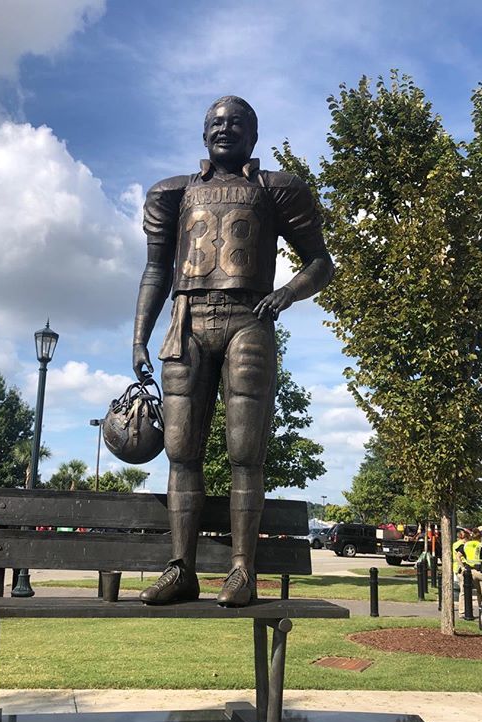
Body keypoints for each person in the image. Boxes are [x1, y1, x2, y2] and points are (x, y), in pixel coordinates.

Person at [132, 96, 334, 606]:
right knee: (181, 453)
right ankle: (181, 567)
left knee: (246, 453)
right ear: (203, 134)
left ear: (254, 135)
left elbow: (320, 262)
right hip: (187, 323)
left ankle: (242, 570)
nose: (226, 129)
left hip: (250, 320)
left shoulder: (275, 189)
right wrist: (139, 335)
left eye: (237, 123)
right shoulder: (172, 193)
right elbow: (157, 270)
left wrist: (286, 293)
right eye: (216, 123)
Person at [457, 528, 482, 612]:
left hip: (470, 572)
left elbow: (458, 556)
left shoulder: (466, 545)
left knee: (475, 592)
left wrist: (462, 567)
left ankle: (473, 611)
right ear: (480, 537)